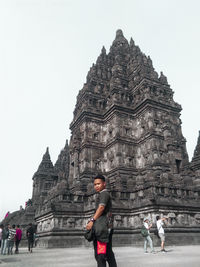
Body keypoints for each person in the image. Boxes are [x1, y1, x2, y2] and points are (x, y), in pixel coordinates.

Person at [86, 174, 117, 267]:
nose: (96, 186)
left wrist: (92, 220)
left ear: (104, 184)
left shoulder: (104, 193)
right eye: (95, 184)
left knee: (100, 255)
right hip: (106, 227)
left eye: (98, 184)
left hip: (103, 228)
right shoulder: (102, 194)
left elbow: (101, 207)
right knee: (108, 252)